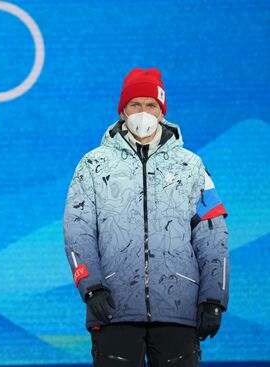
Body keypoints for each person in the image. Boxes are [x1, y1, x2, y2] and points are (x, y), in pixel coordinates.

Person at [63, 68, 229, 366]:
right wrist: (92, 287)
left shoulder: (191, 166)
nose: (143, 112)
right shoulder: (93, 164)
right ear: (123, 110)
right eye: (135, 104)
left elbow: (213, 234)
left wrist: (213, 299)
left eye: (151, 105)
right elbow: (78, 231)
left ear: (162, 110)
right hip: (113, 308)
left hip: (179, 310)